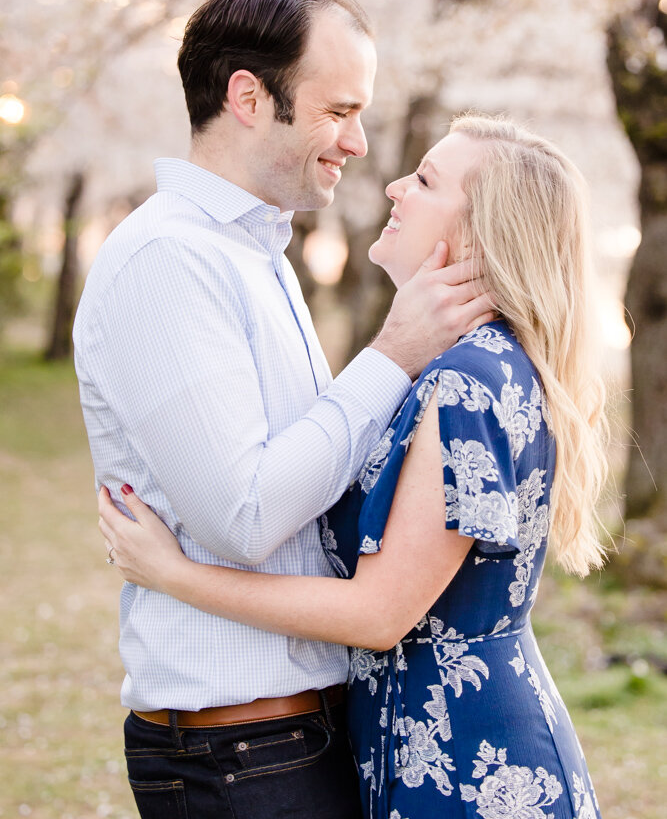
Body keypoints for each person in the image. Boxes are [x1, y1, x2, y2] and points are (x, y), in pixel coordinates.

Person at [99, 114, 609, 819]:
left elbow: (377, 613)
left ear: (478, 235)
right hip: (424, 736)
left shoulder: (466, 381)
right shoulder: (461, 366)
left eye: (426, 181)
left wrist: (175, 576)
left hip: (468, 762)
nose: (396, 185)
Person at [74, 0, 493, 819]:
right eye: (338, 111)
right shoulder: (169, 261)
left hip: (294, 734)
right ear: (248, 97)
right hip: (239, 748)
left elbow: (311, 477)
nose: (360, 143)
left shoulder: (253, 254)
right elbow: (250, 512)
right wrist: (394, 354)